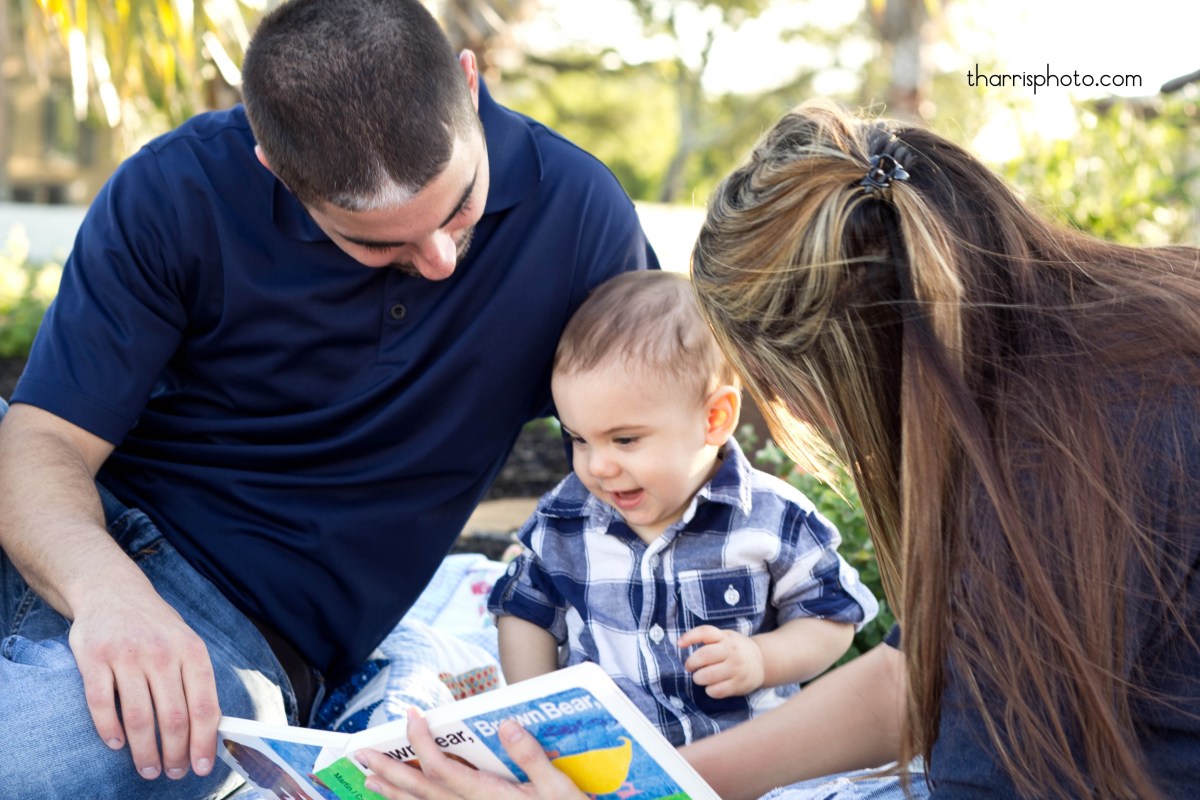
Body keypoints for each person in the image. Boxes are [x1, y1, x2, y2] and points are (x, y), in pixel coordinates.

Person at [354, 98, 1200, 800]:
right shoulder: (1100, 347)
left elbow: (980, 753)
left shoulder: (1050, 477)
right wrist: (659, 785)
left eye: (777, 392)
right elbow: (920, 675)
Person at [0, 0, 656, 795]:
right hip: (72, 526)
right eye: (379, 242)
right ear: (275, 167)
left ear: (468, 81)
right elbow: (44, 439)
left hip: (235, 632)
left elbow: (660, 447)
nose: (441, 259)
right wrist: (108, 593)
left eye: (459, 206)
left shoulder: (581, 218)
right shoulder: (175, 188)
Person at [487, 270, 878, 745]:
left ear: (714, 419)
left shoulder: (772, 518)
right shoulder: (564, 520)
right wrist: (541, 711)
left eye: (624, 440)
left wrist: (762, 659)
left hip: (747, 760)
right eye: (579, 439)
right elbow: (525, 612)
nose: (598, 466)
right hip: (614, 761)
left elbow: (832, 616)